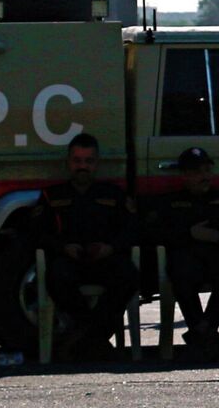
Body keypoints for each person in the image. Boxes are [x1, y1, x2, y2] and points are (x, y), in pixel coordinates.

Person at [29, 133, 138, 356]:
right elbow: (37, 233)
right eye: (77, 161)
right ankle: (95, 336)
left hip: (104, 260)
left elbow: (132, 230)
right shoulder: (52, 196)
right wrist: (63, 248)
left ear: (96, 164)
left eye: (88, 161)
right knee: (56, 275)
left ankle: (86, 335)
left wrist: (111, 248)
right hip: (70, 261)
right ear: (68, 163)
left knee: (129, 275)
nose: (82, 166)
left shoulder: (113, 194)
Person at [153, 147, 219, 357]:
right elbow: (156, 234)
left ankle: (201, 331)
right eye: (197, 172)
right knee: (181, 272)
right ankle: (205, 333)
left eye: (207, 171)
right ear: (184, 175)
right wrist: (190, 233)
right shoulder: (171, 203)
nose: (204, 177)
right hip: (187, 257)